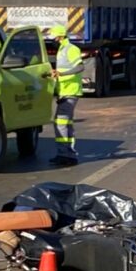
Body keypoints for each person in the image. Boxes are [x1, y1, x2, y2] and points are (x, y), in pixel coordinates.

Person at [48, 25, 84, 167]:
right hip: (65, 91)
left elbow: (80, 67)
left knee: (61, 123)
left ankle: (64, 154)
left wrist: (61, 74)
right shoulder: (62, 49)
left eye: (54, 38)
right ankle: (68, 154)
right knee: (66, 123)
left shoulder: (71, 49)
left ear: (60, 37)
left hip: (70, 91)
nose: (53, 40)